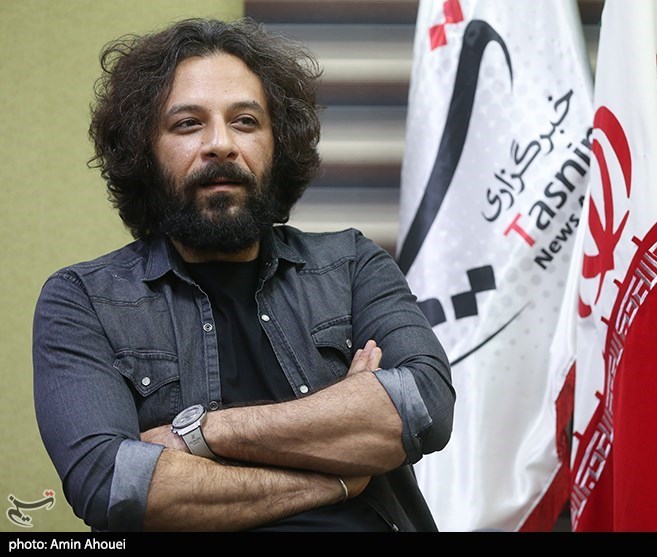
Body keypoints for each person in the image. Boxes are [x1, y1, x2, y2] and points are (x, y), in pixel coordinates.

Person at [32, 17, 455, 532]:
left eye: (246, 121)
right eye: (188, 124)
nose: (221, 144)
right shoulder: (82, 299)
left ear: (279, 144)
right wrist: (337, 477)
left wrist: (198, 434)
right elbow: (113, 486)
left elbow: (424, 407)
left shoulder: (352, 265)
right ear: (145, 151)